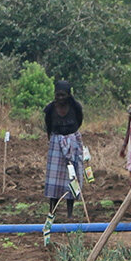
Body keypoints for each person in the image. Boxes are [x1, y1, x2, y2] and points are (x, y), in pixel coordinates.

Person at [43, 80, 86, 216]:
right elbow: (48, 125)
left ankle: (69, 212)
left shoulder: (76, 108)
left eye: (63, 95)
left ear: (68, 95)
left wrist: (69, 137)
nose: (60, 98)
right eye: (58, 95)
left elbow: (79, 121)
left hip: (72, 140)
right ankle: (52, 210)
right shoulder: (50, 109)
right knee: (54, 178)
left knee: (71, 176)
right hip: (56, 142)